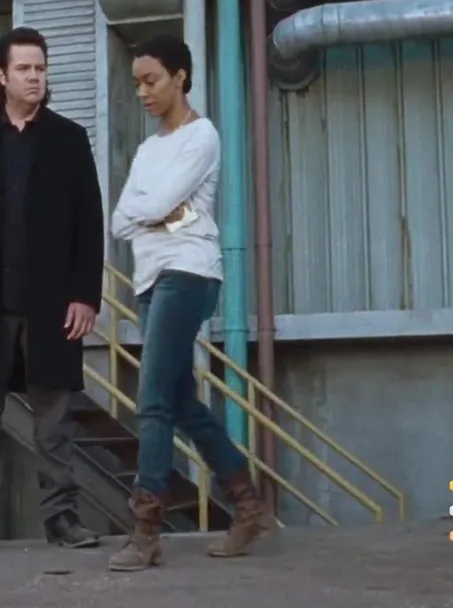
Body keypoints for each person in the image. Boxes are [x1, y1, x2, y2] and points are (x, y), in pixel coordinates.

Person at [0, 26, 105, 554]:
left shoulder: (69, 139)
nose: (35, 77)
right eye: (24, 69)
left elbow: (89, 224)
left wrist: (86, 295)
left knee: (54, 419)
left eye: (41, 68)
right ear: (2, 76)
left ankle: (62, 519)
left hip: (52, 304)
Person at [106, 34, 276, 572]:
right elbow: (120, 220)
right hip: (150, 279)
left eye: (151, 80)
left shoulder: (202, 136)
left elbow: (153, 203)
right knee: (181, 405)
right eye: (137, 83)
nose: (142, 92)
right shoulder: (146, 150)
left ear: (180, 77)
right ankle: (249, 507)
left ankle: (145, 530)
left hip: (189, 272)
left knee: (152, 399)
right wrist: (163, 214)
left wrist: (158, 211)